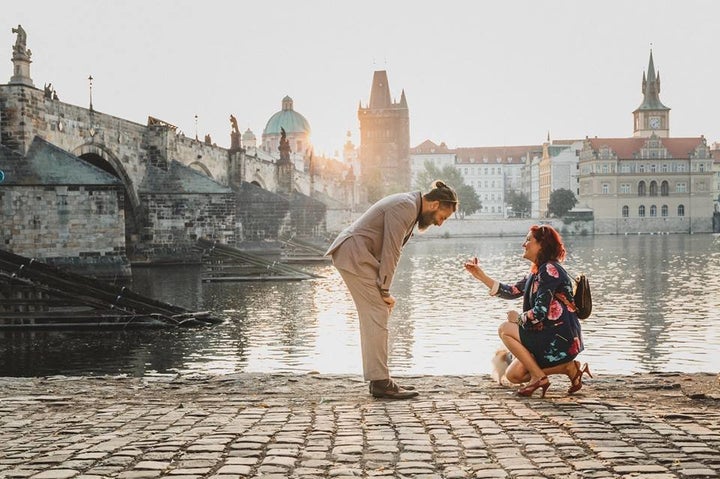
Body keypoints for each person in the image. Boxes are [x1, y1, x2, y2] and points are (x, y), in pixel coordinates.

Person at [326, 180, 459, 399]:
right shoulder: (405, 207)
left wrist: (383, 288)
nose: (440, 224)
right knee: (377, 311)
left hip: (358, 254)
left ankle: (378, 379)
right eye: (443, 217)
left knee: (376, 314)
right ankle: (380, 382)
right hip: (355, 254)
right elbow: (391, 250)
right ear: (435, 205)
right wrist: (385, 290)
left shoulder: (410, 206)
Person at [464, 224, 590, 398]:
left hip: (559, 338)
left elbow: (539, 313)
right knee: (513, 375)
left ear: (542, 245)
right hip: (551, 334)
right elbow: (512, 291)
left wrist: (517, 319)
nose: (524, 244)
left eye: (528, 240)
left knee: (505, 328)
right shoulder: (538, 270)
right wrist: (481, 276)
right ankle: (570, 368)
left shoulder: (549, 270)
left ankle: (538, 377)